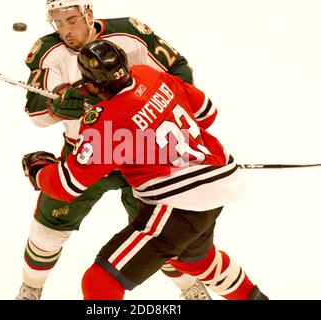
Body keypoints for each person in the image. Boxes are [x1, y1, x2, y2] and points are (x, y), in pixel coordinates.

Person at [22, 39, 269, 300]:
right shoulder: (147, 73)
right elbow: (207, 113)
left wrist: (39, 170)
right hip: (217, 182)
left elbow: (68, 185)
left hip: (179, 202)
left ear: (90, 84)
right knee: (197, 260)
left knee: (100, 282)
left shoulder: (106, 122)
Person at [17, 0, 209, 300]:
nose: (65, 31)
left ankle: (189, 287)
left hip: (144, 153)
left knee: (161, 231)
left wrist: (168, 116)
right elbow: (35, 112)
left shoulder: (130, 32)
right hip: (87, 151)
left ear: (88, 14)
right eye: (57, 22)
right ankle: (31, 288)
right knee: (47, 229)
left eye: (71, 20)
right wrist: (58, 105)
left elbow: (179, 71)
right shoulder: (48, 51)